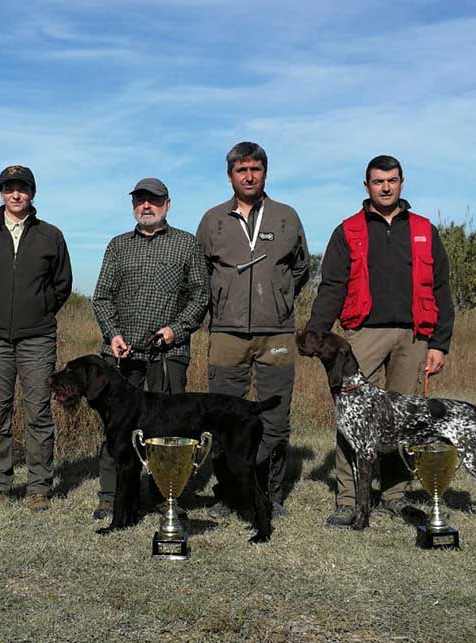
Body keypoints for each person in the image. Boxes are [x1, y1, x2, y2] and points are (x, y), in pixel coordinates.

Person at [304, 154, 455, 528]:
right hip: (362, 336)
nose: (385, 187)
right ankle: (348, 499)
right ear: (367, 186)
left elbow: (441, 289)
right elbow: (332, 286)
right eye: (377, 181)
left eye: (392, 180)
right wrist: (316, 332)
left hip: (413, 335)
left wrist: (439, 343)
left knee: (403, 420)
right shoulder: (348, 230)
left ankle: (394, 496)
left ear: (402, 182)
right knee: (352, 419)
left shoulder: (424, 229)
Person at [195, 142, 310, 517]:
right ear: (230, 175)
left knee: (274, 418)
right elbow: (201, 273)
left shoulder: (286, 217)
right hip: (226, 334)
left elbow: (300, 269)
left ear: (265, 173)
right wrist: (224, 301)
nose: (249, 176)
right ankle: (228, 494)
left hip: (276, 333)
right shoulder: (213, 220)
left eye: (256, 169)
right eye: (241, 170)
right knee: (223, 419)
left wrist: (276, 298)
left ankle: (271, 494)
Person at [91, 177, 209, 520]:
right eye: (140, 200)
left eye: (154, 200)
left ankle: (164, 495)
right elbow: (101, 297)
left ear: (167, 205)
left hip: (167, 353)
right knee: (116, 429)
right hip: (121, 355)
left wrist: (177, 329)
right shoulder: (117, 245)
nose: (147, 206)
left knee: (169, 431)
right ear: (133, 205)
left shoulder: (186, 244)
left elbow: (200, 295)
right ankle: (110, 495)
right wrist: (112, 334)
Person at [0, 165, 73, 512]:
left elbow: (62, 284)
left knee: (38, 411)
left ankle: (39, 486)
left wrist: (39, 310)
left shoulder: (50, 235)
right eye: (9, 188)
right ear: (0, 193)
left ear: (32, 193)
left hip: (37, 337)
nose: (16, 194)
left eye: (22, 188)